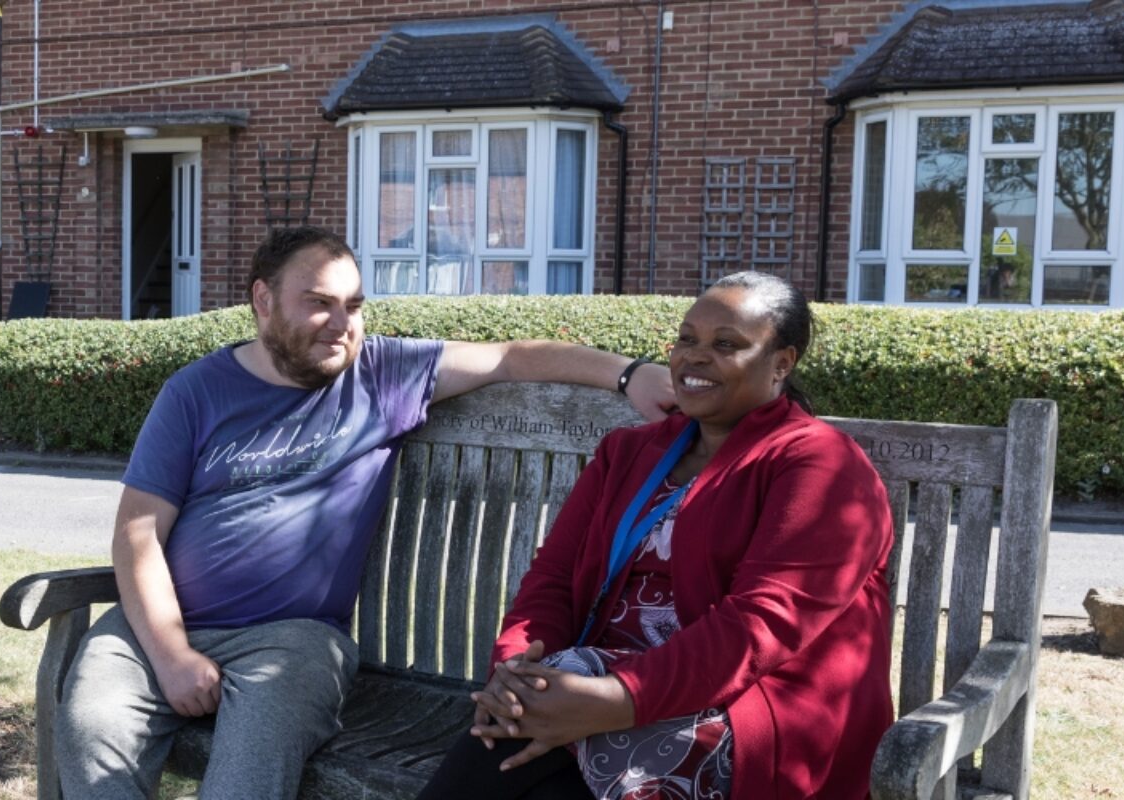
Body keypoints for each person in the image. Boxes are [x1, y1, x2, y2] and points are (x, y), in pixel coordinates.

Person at [55, 226, 678, 800]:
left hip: (291, 639)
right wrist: (170, 655)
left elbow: (513, 357)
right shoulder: (195, 392)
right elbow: (137, 532)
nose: (341, 324)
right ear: (263, 300)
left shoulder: (382, 376)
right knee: (91, 726)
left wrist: (628, 374)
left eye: (354, 306)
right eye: (319, 302)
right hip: (156, 631)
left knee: (246, 772)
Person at [415, 271, 894, 800]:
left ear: (782, 363)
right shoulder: (628, 453)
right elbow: (552, 577)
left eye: (726, 344)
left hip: (743, 706)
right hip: (600, 691)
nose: (695, 356)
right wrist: (514, 668)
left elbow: (760, 627)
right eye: (687, 339)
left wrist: (615, 699)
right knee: (510, 739)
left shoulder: (819, 466)